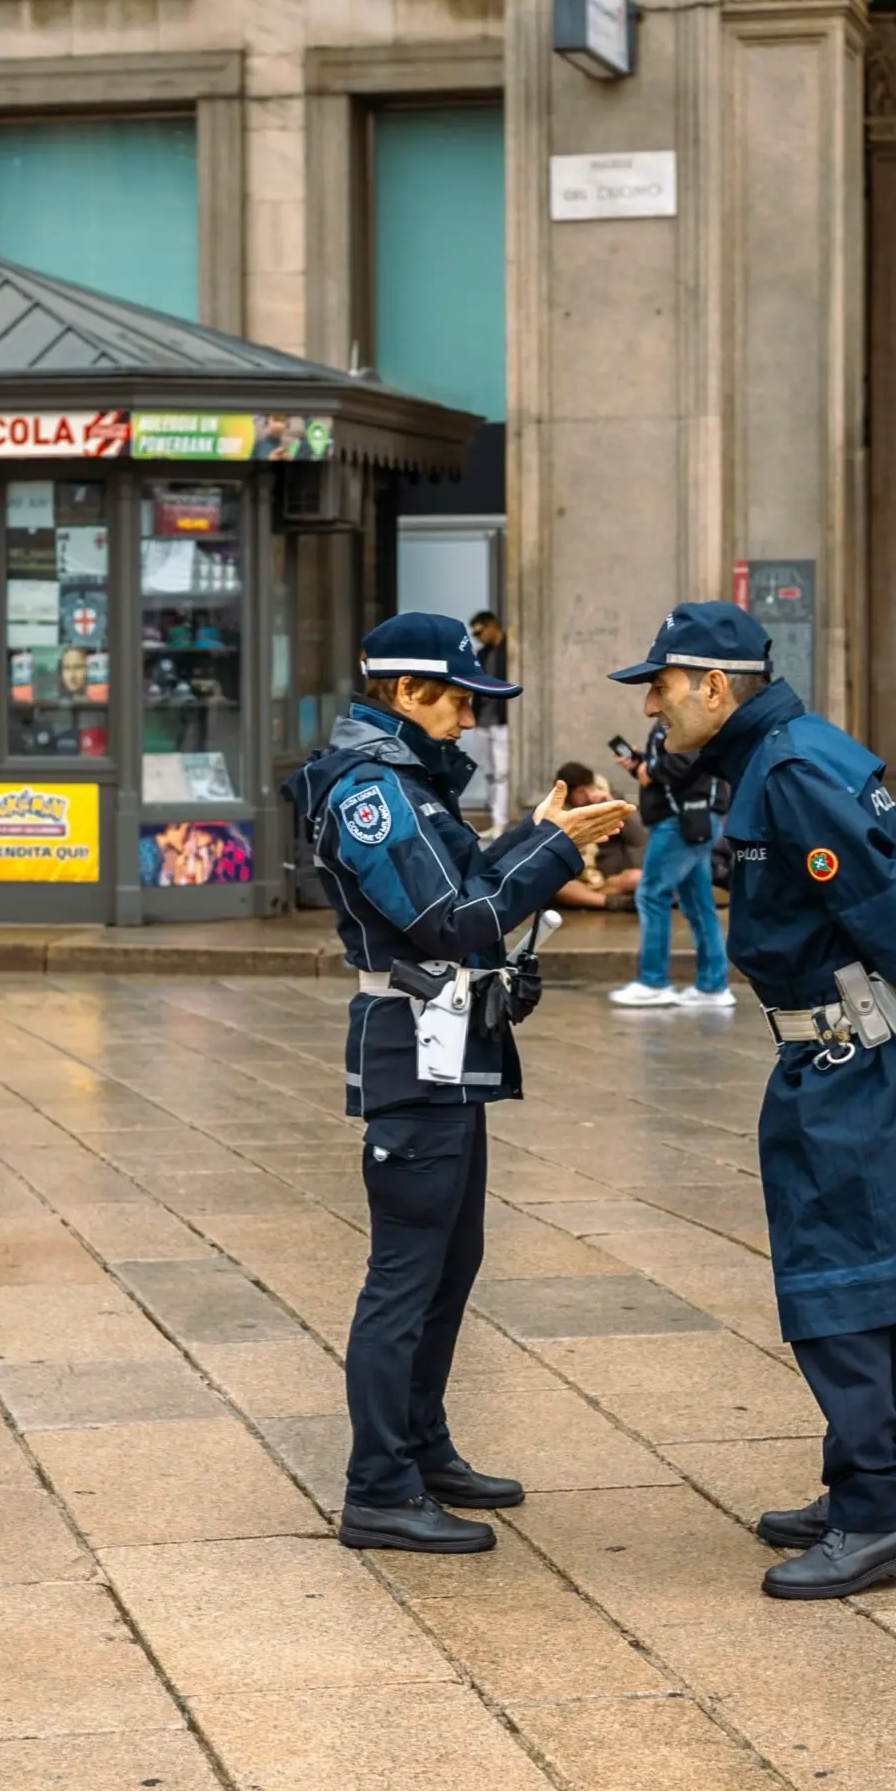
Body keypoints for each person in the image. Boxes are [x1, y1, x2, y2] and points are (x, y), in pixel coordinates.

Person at [609, 601, 896, 1600]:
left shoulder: (790, 770)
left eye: (661, 684)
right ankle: (868, 1486)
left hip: (853, 1064)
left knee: (841, 1292)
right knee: (867, 1285)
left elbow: (891, 907)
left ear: (712, 684)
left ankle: (878, 1518)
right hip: (833, 1060)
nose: (650, 703)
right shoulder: (774, 755)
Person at [285, 613, 630, 1555]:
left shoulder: (408, 782)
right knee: (404, 1274)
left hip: (448, 1042)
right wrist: (555, 854)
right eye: (457, 699)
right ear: (403, 692)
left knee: (452, 1259)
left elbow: (466, 875)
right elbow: (450, 919)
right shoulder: (372, 791)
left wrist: (538, 833)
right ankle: (378, 1488)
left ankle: (422, 1446)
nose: (469, 717)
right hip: (411, 1042)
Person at [610, 722, 734, 1012]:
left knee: (651, 894)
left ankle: (653, 983)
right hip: (691, 819)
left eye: (658, 687)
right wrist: (641, 765)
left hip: (680, 820)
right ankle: (713, 986)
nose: (650, 705)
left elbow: (690, 760)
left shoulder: (685, 717)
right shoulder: (681, 717)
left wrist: (650, 769)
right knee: (698, 902)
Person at [549, 760, 644, 909]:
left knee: (638, 877)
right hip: (578, 879)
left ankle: (589, 900)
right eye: (581, 792)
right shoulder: (555, 813)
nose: (587, 796)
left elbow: (639, 838)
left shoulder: (608, 799)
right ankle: (610, 902)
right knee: (558, 885)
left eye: (589, 789)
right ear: (568, 794)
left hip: (612, 878)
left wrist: (615, 807)